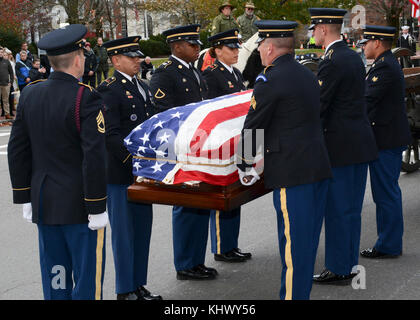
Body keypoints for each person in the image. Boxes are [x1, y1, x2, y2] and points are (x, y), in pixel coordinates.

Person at [7, 24, 108, 300]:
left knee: (57, 277)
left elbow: (17, 150)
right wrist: (98, 205)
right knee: (86, 281)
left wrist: (24, 196)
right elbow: (94, 157)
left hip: (44, 203)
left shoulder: (30, 94)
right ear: (78, 58)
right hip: (81, 207)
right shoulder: (85, 96)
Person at [237, 20, 332, 299]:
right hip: (317, 167)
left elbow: (253, 127)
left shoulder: (269, 79)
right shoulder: (307, 74)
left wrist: (244, 165)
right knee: (305, 248)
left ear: (268, 47)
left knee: (293, 253)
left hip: (293, 175)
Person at [308, 8, 378, 285]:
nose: (311, 34)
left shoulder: (333, 60)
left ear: (324, 30)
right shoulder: (350, 55)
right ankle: (347, 263)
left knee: (338, 209)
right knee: (350, 209)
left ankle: (338, 268)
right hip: (357, 144)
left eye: (314, 29)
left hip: (340, 146)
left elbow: (319, 105)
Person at [150, 25, 217, 280]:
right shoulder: (165, 74)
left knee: (201, 204)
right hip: (181, 150)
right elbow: (163, 115)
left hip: (199, 148)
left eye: (198, 44)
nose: (198, 48)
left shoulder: (195, 72)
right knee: (185, 206)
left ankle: (197, 260)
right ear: (177, 46)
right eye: (193, 44)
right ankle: (185, 264)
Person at [97, 36, 161, 300]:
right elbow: (109, 135)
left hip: (142, 173)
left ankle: (138, 284)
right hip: (121, 173)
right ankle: (125, 289)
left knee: (142, 230)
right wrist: (133, 164)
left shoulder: (141, 85)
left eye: (137, 56)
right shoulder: (108, 89)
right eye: (130, 56)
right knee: (124, 234)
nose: (137, 60)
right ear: (115, 60)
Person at [358, 26, 411, 259]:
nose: (364, 46)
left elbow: (366, 99)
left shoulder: (385, 67)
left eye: (366, 42)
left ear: (377, 43)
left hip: (386, 140)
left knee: (386, 194)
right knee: (385, 193)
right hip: (385, 137)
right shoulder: (384, 64)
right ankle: (388, 242)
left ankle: (388, 245)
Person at [202, 29, 251, 263]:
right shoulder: (211, 75)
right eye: (231, 48)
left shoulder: (236, 72)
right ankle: (222, 246)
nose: (236, 52)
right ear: (218, 50)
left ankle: (231, 244)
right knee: (223, 194)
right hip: (223, 142)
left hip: (238, 140)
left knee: (235, 194)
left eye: (236, 47)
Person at [0, 47, 14, 119]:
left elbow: (11, 73)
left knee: (5, 100)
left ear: (3, 53)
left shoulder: (7, 61)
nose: (0, 53)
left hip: (6, 84)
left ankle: (7, 114)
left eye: (1, 52)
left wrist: (11, 82)